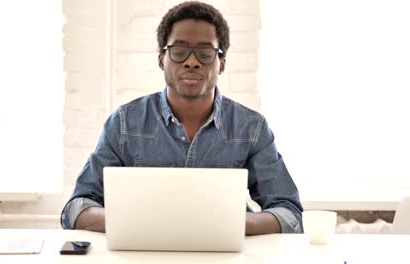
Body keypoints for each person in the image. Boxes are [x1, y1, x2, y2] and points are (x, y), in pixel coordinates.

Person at [61, 1, 303, 235]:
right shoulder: (124, 123)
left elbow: (290, 214)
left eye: (205, 53)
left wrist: (235, 224)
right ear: (161, 60)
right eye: (179, 51)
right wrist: (133, 222)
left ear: (222, 64)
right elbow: (77, 208)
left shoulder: (251, 128)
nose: (191, 62)